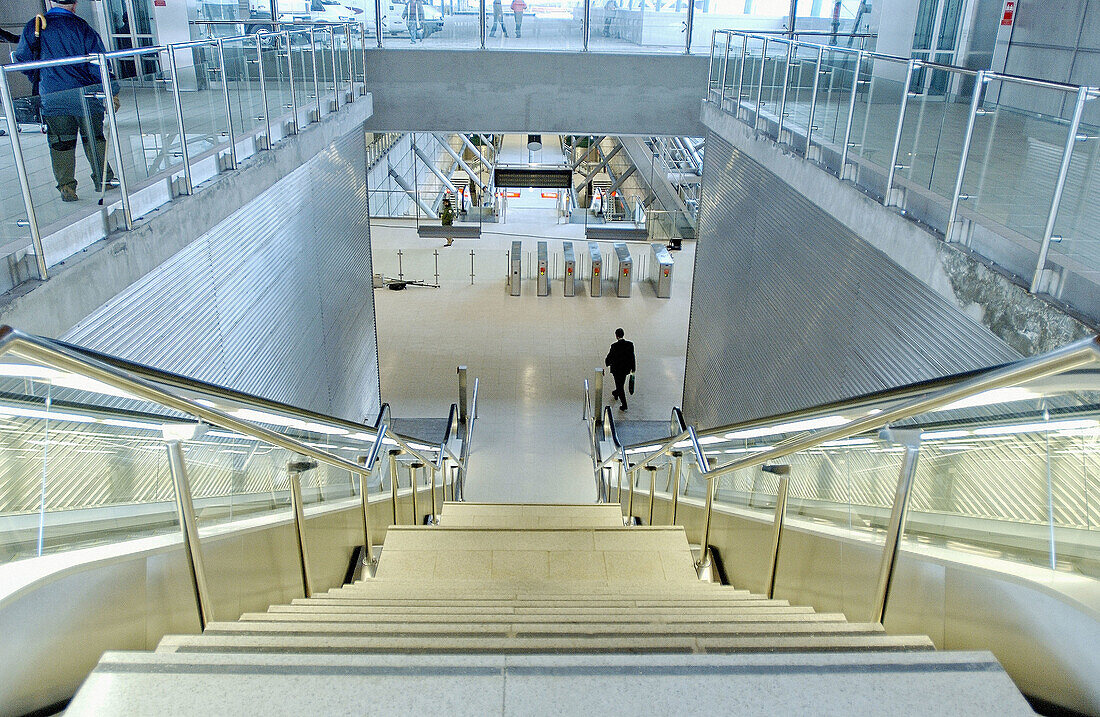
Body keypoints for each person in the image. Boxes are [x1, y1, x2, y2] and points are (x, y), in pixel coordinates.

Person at [15, 0, 119, 203]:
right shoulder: (82, 28)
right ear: (75, 4)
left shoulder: (35, 26)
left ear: (52, 2)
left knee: (60, 143)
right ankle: (104, 180)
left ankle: (66, 187)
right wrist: (111, 91)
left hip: (53, 98)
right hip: (87, 98)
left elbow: (22, 60)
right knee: (94, 139)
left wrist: (41, 78)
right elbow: (99, 65)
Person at [604, 328, 635, 411]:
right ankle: (615, 393)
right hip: (625, 369)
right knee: (621, 384)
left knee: (620, 386)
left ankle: (624, 405)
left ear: (616, 336)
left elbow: (609, 357)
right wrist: (633, 368)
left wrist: (607, 363)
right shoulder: (630, 344)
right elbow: (632, 357)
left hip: (616, 370)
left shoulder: (614, 346)